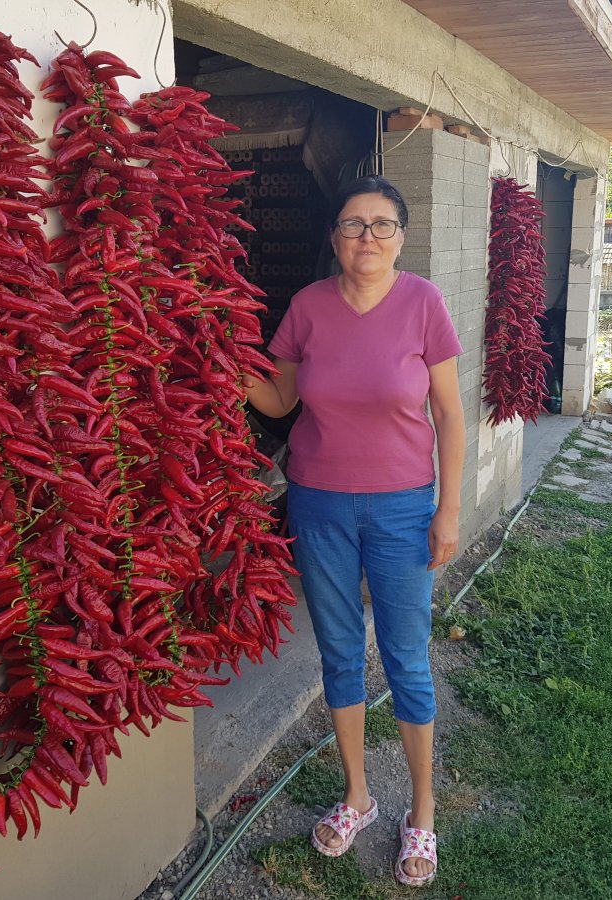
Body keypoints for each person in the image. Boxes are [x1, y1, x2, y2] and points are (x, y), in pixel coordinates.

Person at [242, 175, 465, 887]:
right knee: (339, 653)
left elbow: (451, 418)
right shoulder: (307, 308)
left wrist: (449, 509)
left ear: (401, 235)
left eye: (380, 224)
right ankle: (359, 798)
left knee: (406, 658)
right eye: (352, 224)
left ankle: (422, 814)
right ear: (334, 237)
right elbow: (278, 397)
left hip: (403, 507)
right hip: (319, 503)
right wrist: (220, 359)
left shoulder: (423, 303)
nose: (366, 237)